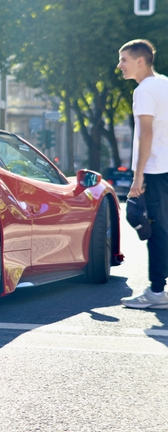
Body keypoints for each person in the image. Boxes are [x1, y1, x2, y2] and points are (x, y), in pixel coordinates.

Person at [118, 39, 168, 309]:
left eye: (123, 60)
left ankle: (157, 292)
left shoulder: (144, 90)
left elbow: (145, 133)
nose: (120, 66)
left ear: (140, 60)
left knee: (154, 229)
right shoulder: (166, 83)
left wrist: (138, 178)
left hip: (155, 170)